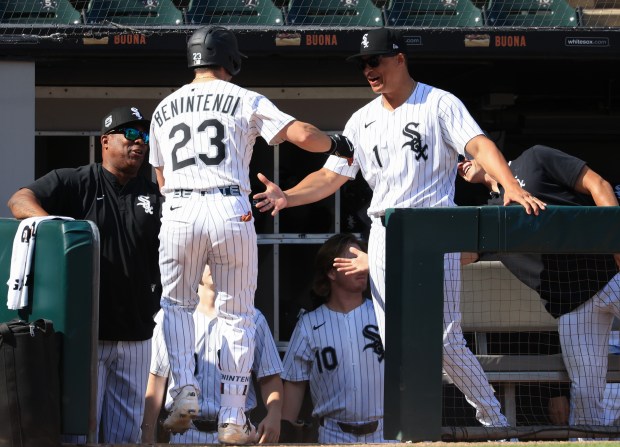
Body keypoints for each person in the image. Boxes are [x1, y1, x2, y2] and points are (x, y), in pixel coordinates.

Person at [254, 27, 545, 429]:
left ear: (400, 58)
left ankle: (494, 422)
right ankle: (408, 429)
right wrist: (288, 195)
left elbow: (477, 145)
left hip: (436, 227)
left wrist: (510, 185)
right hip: (387, 231)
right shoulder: (361, 120)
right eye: (363, 65)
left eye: (375, 61)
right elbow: (331, 175)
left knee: (444, 340)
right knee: (396, 343)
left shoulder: (439, 102)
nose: (369, 70)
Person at [148, 25, 354, 444]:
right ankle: (231, 414)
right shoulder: (244, 97)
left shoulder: (163, 107)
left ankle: (184, 389)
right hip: (229, 206)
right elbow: (302, 136)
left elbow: (161, 177)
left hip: (180, 208)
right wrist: (336, 142)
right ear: (229, 59)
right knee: (237, 313)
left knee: (175, 306)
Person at [7, 106, 161, 444]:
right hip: (85, 337)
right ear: (105, 141)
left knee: (124, 439)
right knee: (77, 436)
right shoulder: (76, 180)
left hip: (137, 336)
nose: (140, 143)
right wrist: (54, 230)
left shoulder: (151, 193)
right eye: (131, 134)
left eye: (145, 137)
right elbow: (19, 200)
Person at [457, 144, 620, 430]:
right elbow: (461, 255)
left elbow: (598, 184)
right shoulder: (492, 212)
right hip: (572, 307)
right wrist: (384, 257)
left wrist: (618, 248)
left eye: (465, 154)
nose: (461, 163)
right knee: (586, 401)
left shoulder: (533, 158)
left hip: (610, 273)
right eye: (454, 161)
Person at [142, 265, 284, 444]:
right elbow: (156, 380)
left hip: (237, 432)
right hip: (185, 433)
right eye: (208, 258)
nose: (215, 263)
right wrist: (147, 431)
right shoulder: (170, 317)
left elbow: (270, 377)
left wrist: (274, 414)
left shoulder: (252, 318)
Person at [281, 233, 387, 443]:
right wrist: (285, 432)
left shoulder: (385, 312)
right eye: (352, 259)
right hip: (332, 435)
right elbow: (294, 383)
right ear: (331, 271)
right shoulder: (309, 324)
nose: (362, 266)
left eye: (363, 259)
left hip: (385, 433)